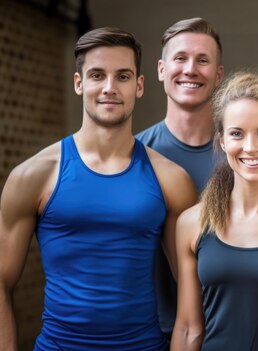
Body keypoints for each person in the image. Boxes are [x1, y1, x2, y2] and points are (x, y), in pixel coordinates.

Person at [0, 27, 196, 350]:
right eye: (96, 75)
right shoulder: (33, 175)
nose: (109, 88)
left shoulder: (171, 179)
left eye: (122, 76)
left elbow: (196, 291)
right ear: (79, 84)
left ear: (139, 85)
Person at [171, 72, 258, 351]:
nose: (250, 147)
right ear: (222, 141)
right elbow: (188, 329)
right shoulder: (192, 223)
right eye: (237, 133)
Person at [136, 17, 224, 339]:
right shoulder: (135, 154)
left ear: (218, 75)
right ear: (161, 70)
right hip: (149, 332)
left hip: (226, 330)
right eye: (180, 58)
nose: (190, 69)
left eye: (203, 60)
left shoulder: (243, 155)